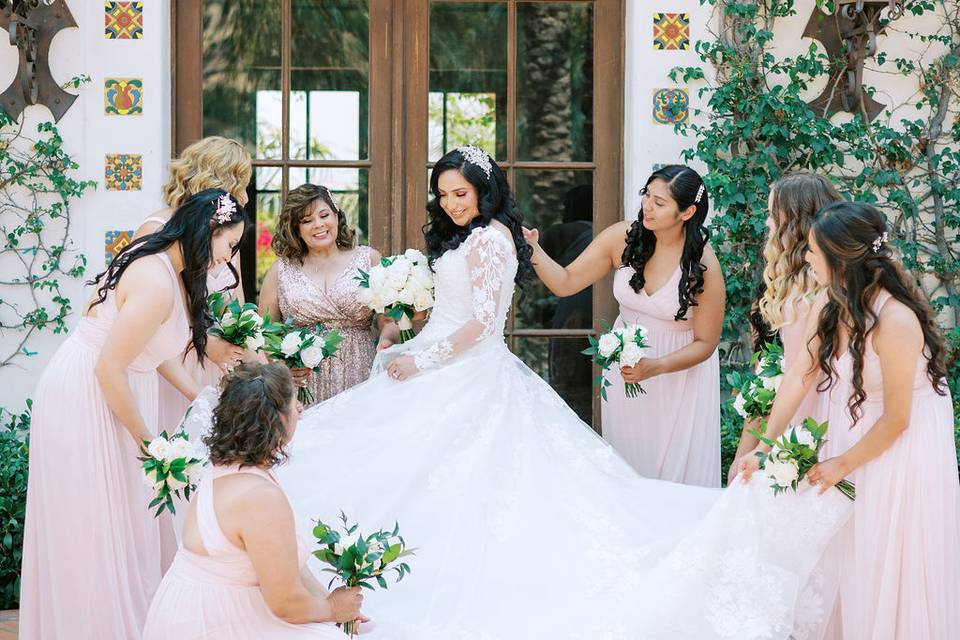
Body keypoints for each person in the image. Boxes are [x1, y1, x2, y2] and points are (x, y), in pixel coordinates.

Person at [239, 147, 853, 638]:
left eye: (462, 193)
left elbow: (483, 323)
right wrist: (411, 334)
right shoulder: (475, 238)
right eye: (445, 194)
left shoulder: (488, 241)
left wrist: (422, 360)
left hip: (470, 368)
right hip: (450, 364)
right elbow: (523, 293)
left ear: (484, 192)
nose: (452, 204)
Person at [19, 189, 247, 639]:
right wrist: (152, 447)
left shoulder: (170, 269)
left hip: (116, 385)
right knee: (90, 523)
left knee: (120, 521)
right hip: (89, 392)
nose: (230, 257)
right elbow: (109, 367)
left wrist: (200, 394)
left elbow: (152, 350)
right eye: (230, 243)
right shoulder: (156, 280)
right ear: (208, 231)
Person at [738, 201, 960, 640]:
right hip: (856, 430)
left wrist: (842, 462)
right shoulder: (832, 301)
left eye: (814, 253)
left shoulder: (896, 319)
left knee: (881, 558)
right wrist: (764, 446)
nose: (805, 258)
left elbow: (898, 418)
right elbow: (799, 375)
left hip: (898, 452)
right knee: (842, 557)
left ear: (841, 260)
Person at [525, 164, 725, 486]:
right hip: (627, 371)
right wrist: (533, 250)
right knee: (628, 467)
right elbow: (565, 282)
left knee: (675, 478)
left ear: (687, 212)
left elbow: (706, 342)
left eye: (660, 203)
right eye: (647, 195)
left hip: (679, 376)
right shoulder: (622, 238)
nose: (648, 206)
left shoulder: (703, 265)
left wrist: (657, 366)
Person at [143, 363, 370, 639]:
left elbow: (286, 564)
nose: (298, 410)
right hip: (209, 620)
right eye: (293, 404)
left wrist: (332, 604)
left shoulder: (226, 466)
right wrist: (332, 609)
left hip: (191, 605)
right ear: (276, 422)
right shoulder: (260, 499)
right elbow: (285, 604)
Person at [133, 135, 255, 432]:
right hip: (168, 370)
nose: (247, 199)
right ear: (217, 182)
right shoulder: (158, 230)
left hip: (212, 372)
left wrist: (266, 379)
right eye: (241, 187)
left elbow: (237, 315)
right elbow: (147, 326)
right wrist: (204, 344)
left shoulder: (225, 239)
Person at [729, 172, 844, 485]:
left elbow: (805, 369)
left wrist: (764, 444)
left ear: (796, 221)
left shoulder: (827, 285)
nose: (767, 224)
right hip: (792, 402)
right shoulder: (789, 281)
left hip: (822, 406)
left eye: (772, 216)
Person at [259, 184, 384, 404]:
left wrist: (389, 341)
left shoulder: (369, 260)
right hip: (303, 385)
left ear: (337, 216)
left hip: (361, 375)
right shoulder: (280, 271)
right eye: (307, 221)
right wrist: (282, 367)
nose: (319, 225)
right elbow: (265, 333)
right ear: (295, 228)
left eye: (324, 215)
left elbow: (389, 321)